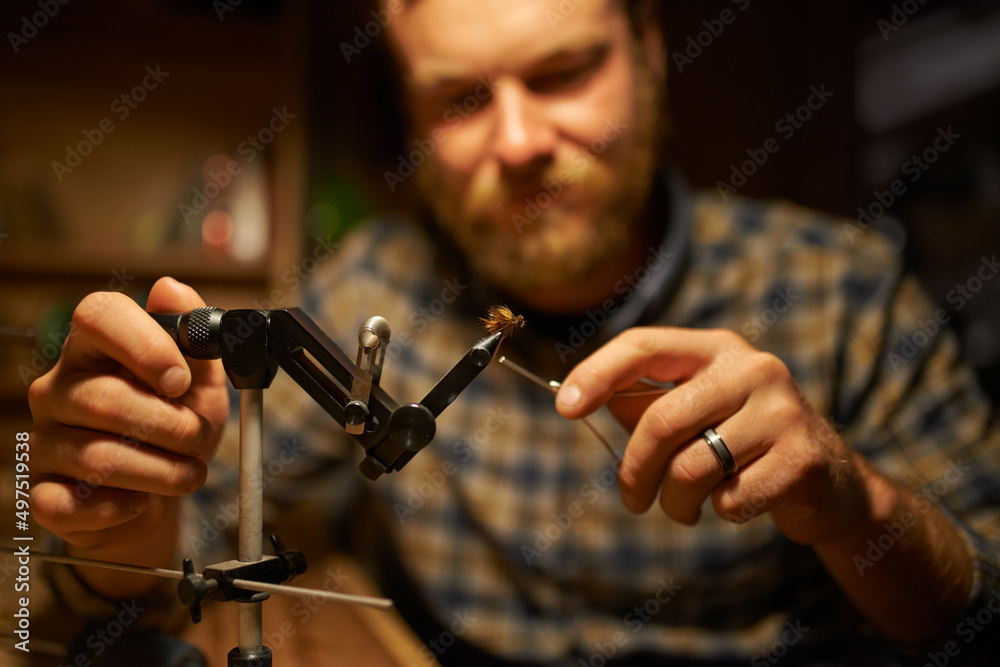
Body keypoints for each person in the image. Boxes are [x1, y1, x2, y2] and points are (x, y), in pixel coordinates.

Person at [27, 0, 1000, 664]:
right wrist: (120, 503)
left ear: (651, 55)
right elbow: (155, 566)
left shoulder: (843, 292)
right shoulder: (373, 289)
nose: (521, 142)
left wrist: (852, 503)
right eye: (460, 98)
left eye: (565, 72)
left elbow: (981, 599)